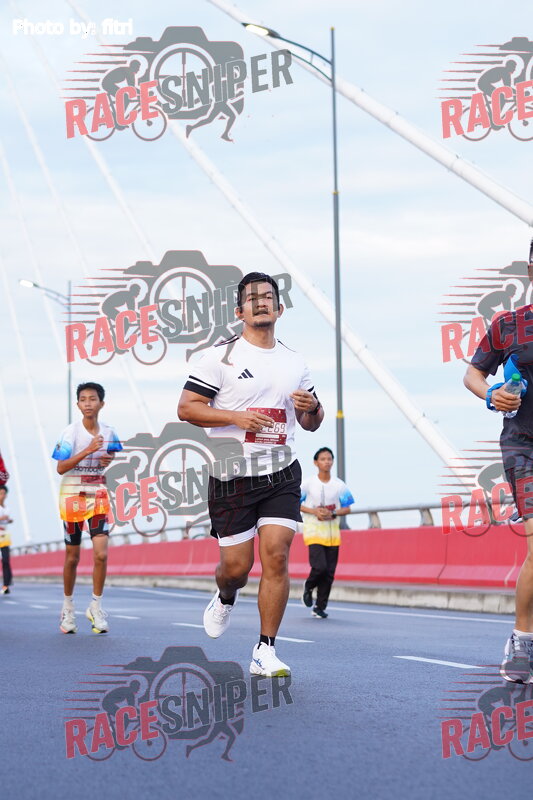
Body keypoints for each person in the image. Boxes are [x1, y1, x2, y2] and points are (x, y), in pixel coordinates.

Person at [178, 272, 323, 677]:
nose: (261, 302)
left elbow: (312, 422)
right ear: (239, 310)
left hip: (281, 472)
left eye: (268, 297)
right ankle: (225, 596)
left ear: (279, 308)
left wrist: (312, 407)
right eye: (252, 297)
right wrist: (235, 417)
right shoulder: (218, 358)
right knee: (236, 570)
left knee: (276, 555)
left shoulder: (295, 361)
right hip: (232, 477)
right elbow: (187, 408)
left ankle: (265, 649)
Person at [464, 256, 533, 683]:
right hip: (523, 447)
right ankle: (523, 642)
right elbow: (473, 373)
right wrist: (491, 394)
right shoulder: (509, 324)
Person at [52, 382, 122, 635]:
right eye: (83, 399)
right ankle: (68, 608)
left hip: (98, 495)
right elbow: (61, 467)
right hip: (72, 497)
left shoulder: (109, 432)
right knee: (73, 557)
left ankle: (96, 606)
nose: (88, 403)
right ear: (78, 404)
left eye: (92, 399)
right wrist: (88, 450)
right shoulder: (70, 433)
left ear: (101, 403)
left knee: (101, 554)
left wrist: (107, 459)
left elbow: (111, 454)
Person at [300, 447, 354, 618]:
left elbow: (347, 508)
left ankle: (319, 607)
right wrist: (314, 511)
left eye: (329, 459)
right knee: (319, 567)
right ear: (316, 462)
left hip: (332, 534)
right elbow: (295, 502)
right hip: (313, 531)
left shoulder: (339, 485)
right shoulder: (308, 484)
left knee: (329, 573)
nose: (327, 462)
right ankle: (309, 586)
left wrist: (334, 513)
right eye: (323, 459)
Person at [0, 485, 13, 594]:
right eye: (0, 493)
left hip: (4, 534)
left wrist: (9, 520)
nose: (2, 496)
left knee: (5, 560)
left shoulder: (7, 508)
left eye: (4, 493)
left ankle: (6, 585)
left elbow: (5, 521)